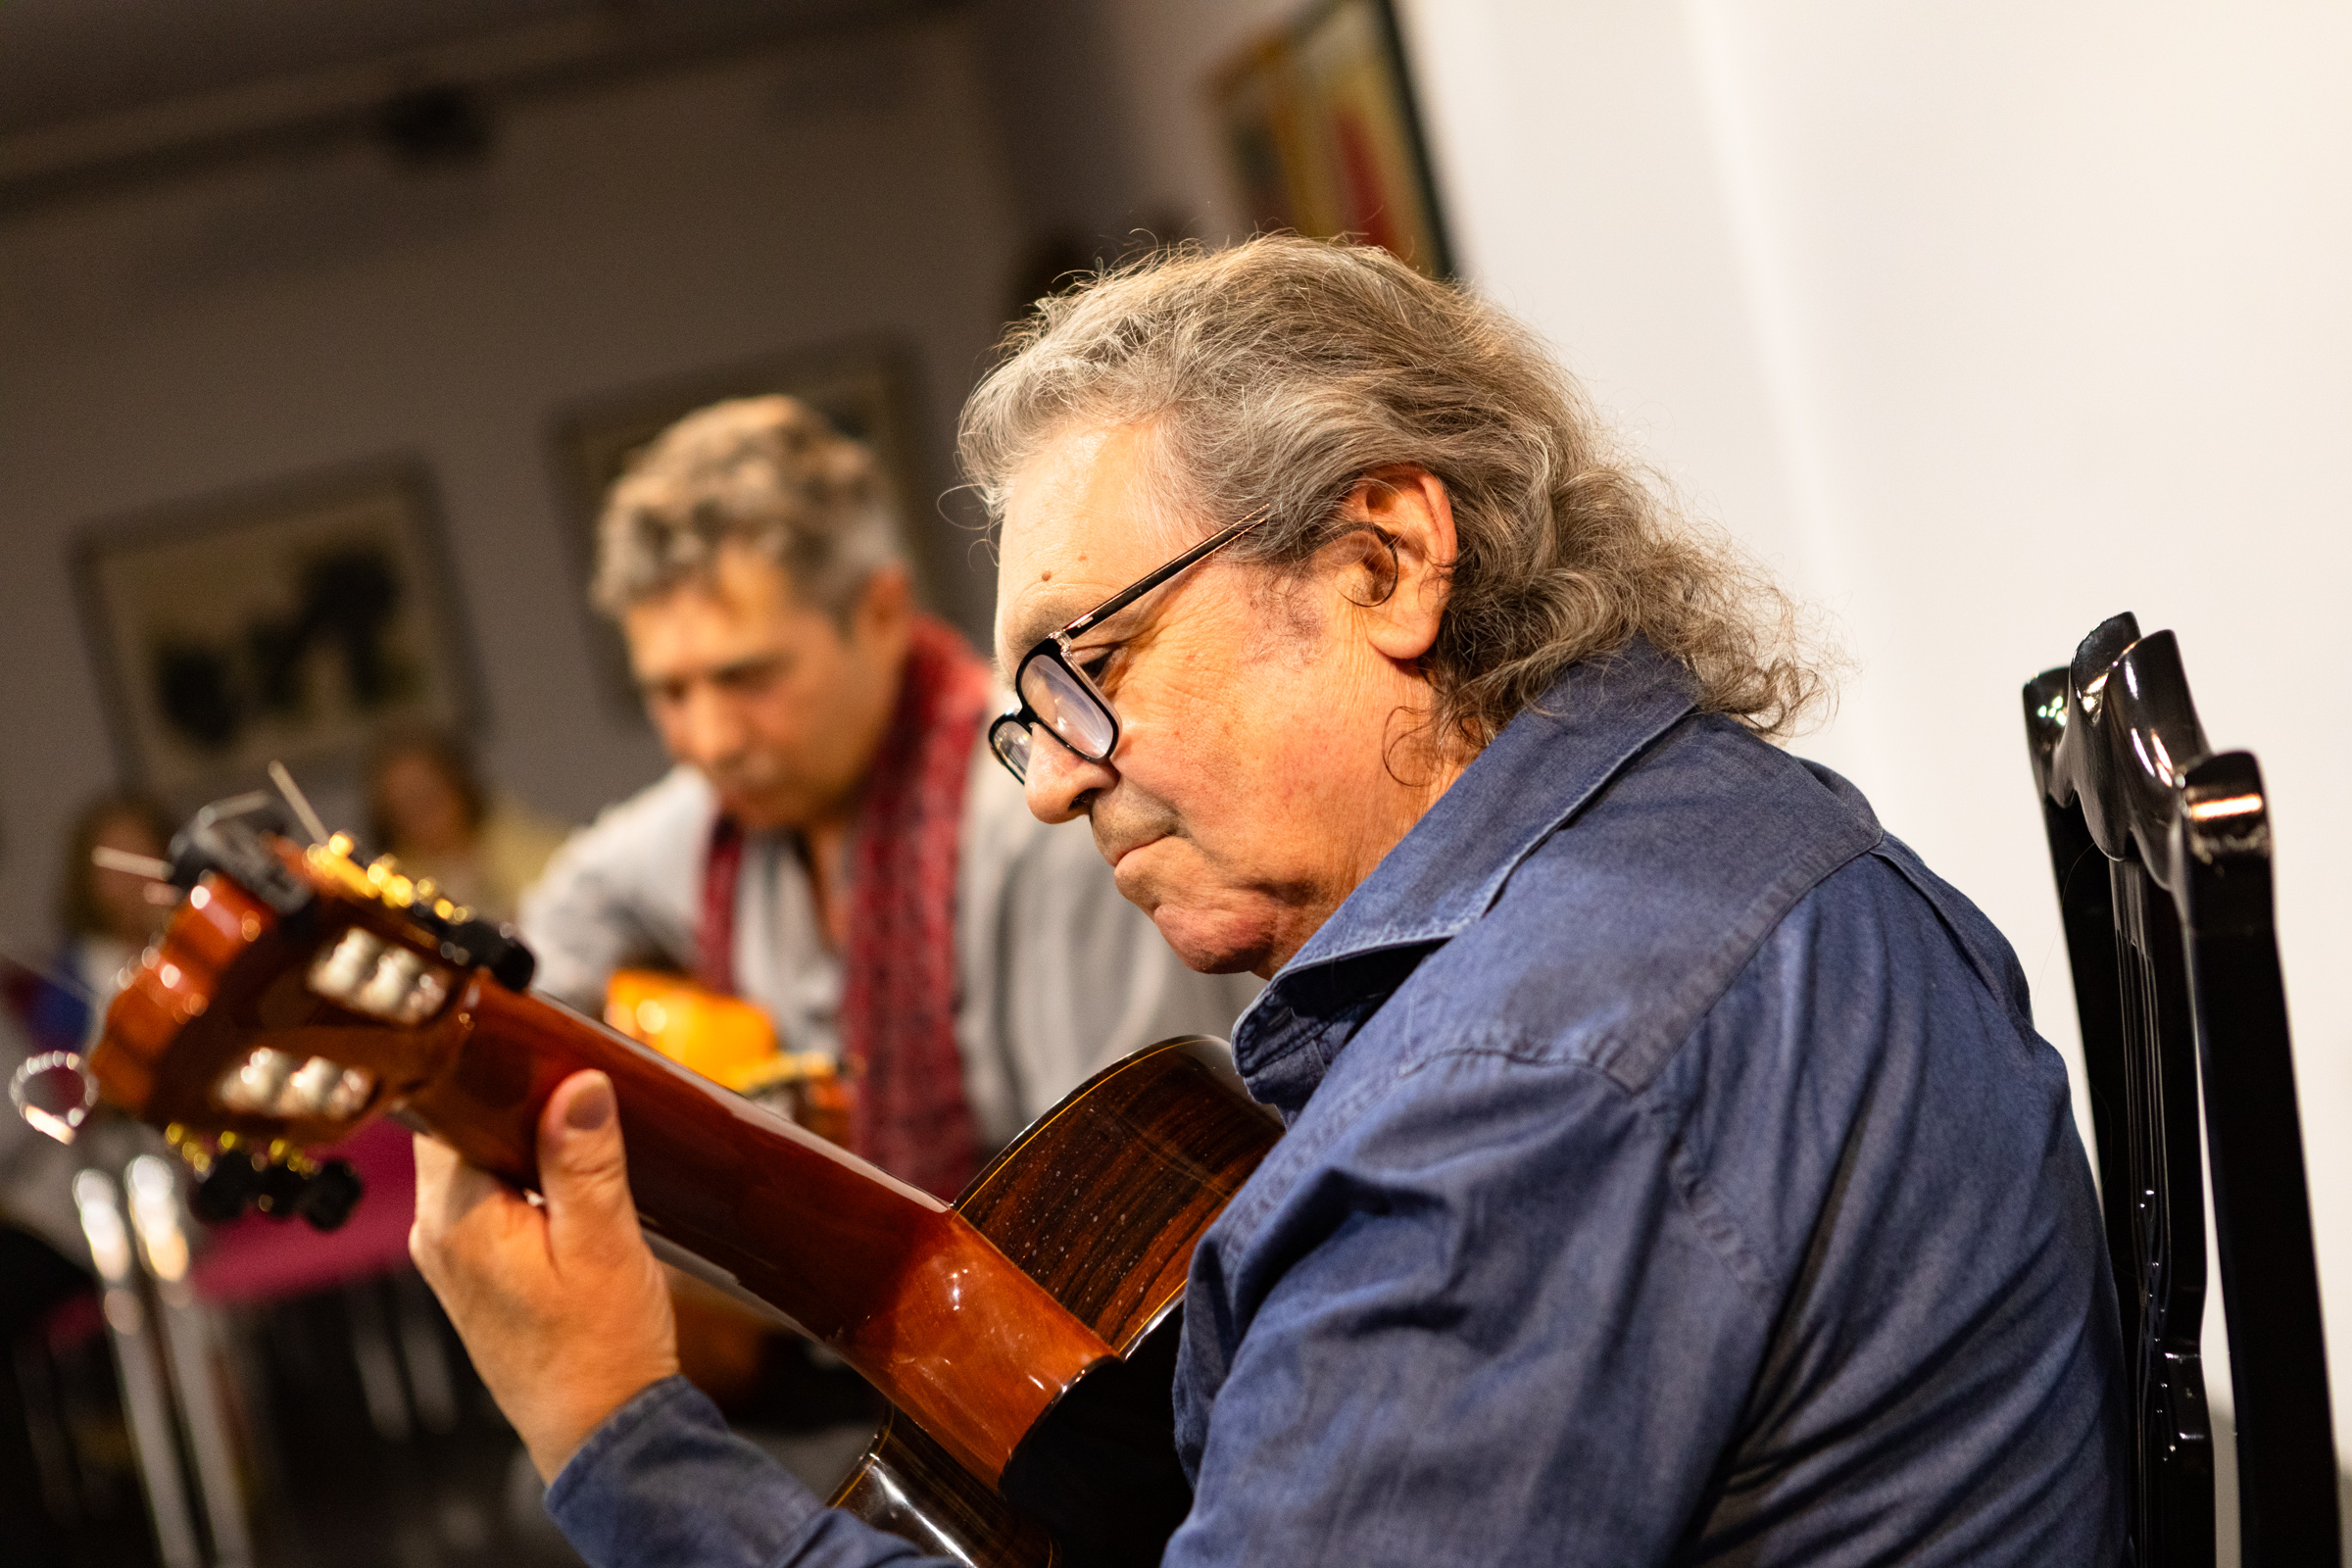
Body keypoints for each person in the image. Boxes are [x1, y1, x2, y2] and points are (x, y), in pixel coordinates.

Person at [413, 239, 2127, 1565]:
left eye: (1090, 667)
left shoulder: (1517, 1093)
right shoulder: (1717, 830)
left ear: (1383, 563)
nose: (1054, 783)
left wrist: (613, 1427)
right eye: (1029, 715)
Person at [367, 727, 569, 925]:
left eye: (427, 793)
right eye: (404, 806)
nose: (421, 812)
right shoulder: (395, 890)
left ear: (458, 786)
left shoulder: (542, 853)